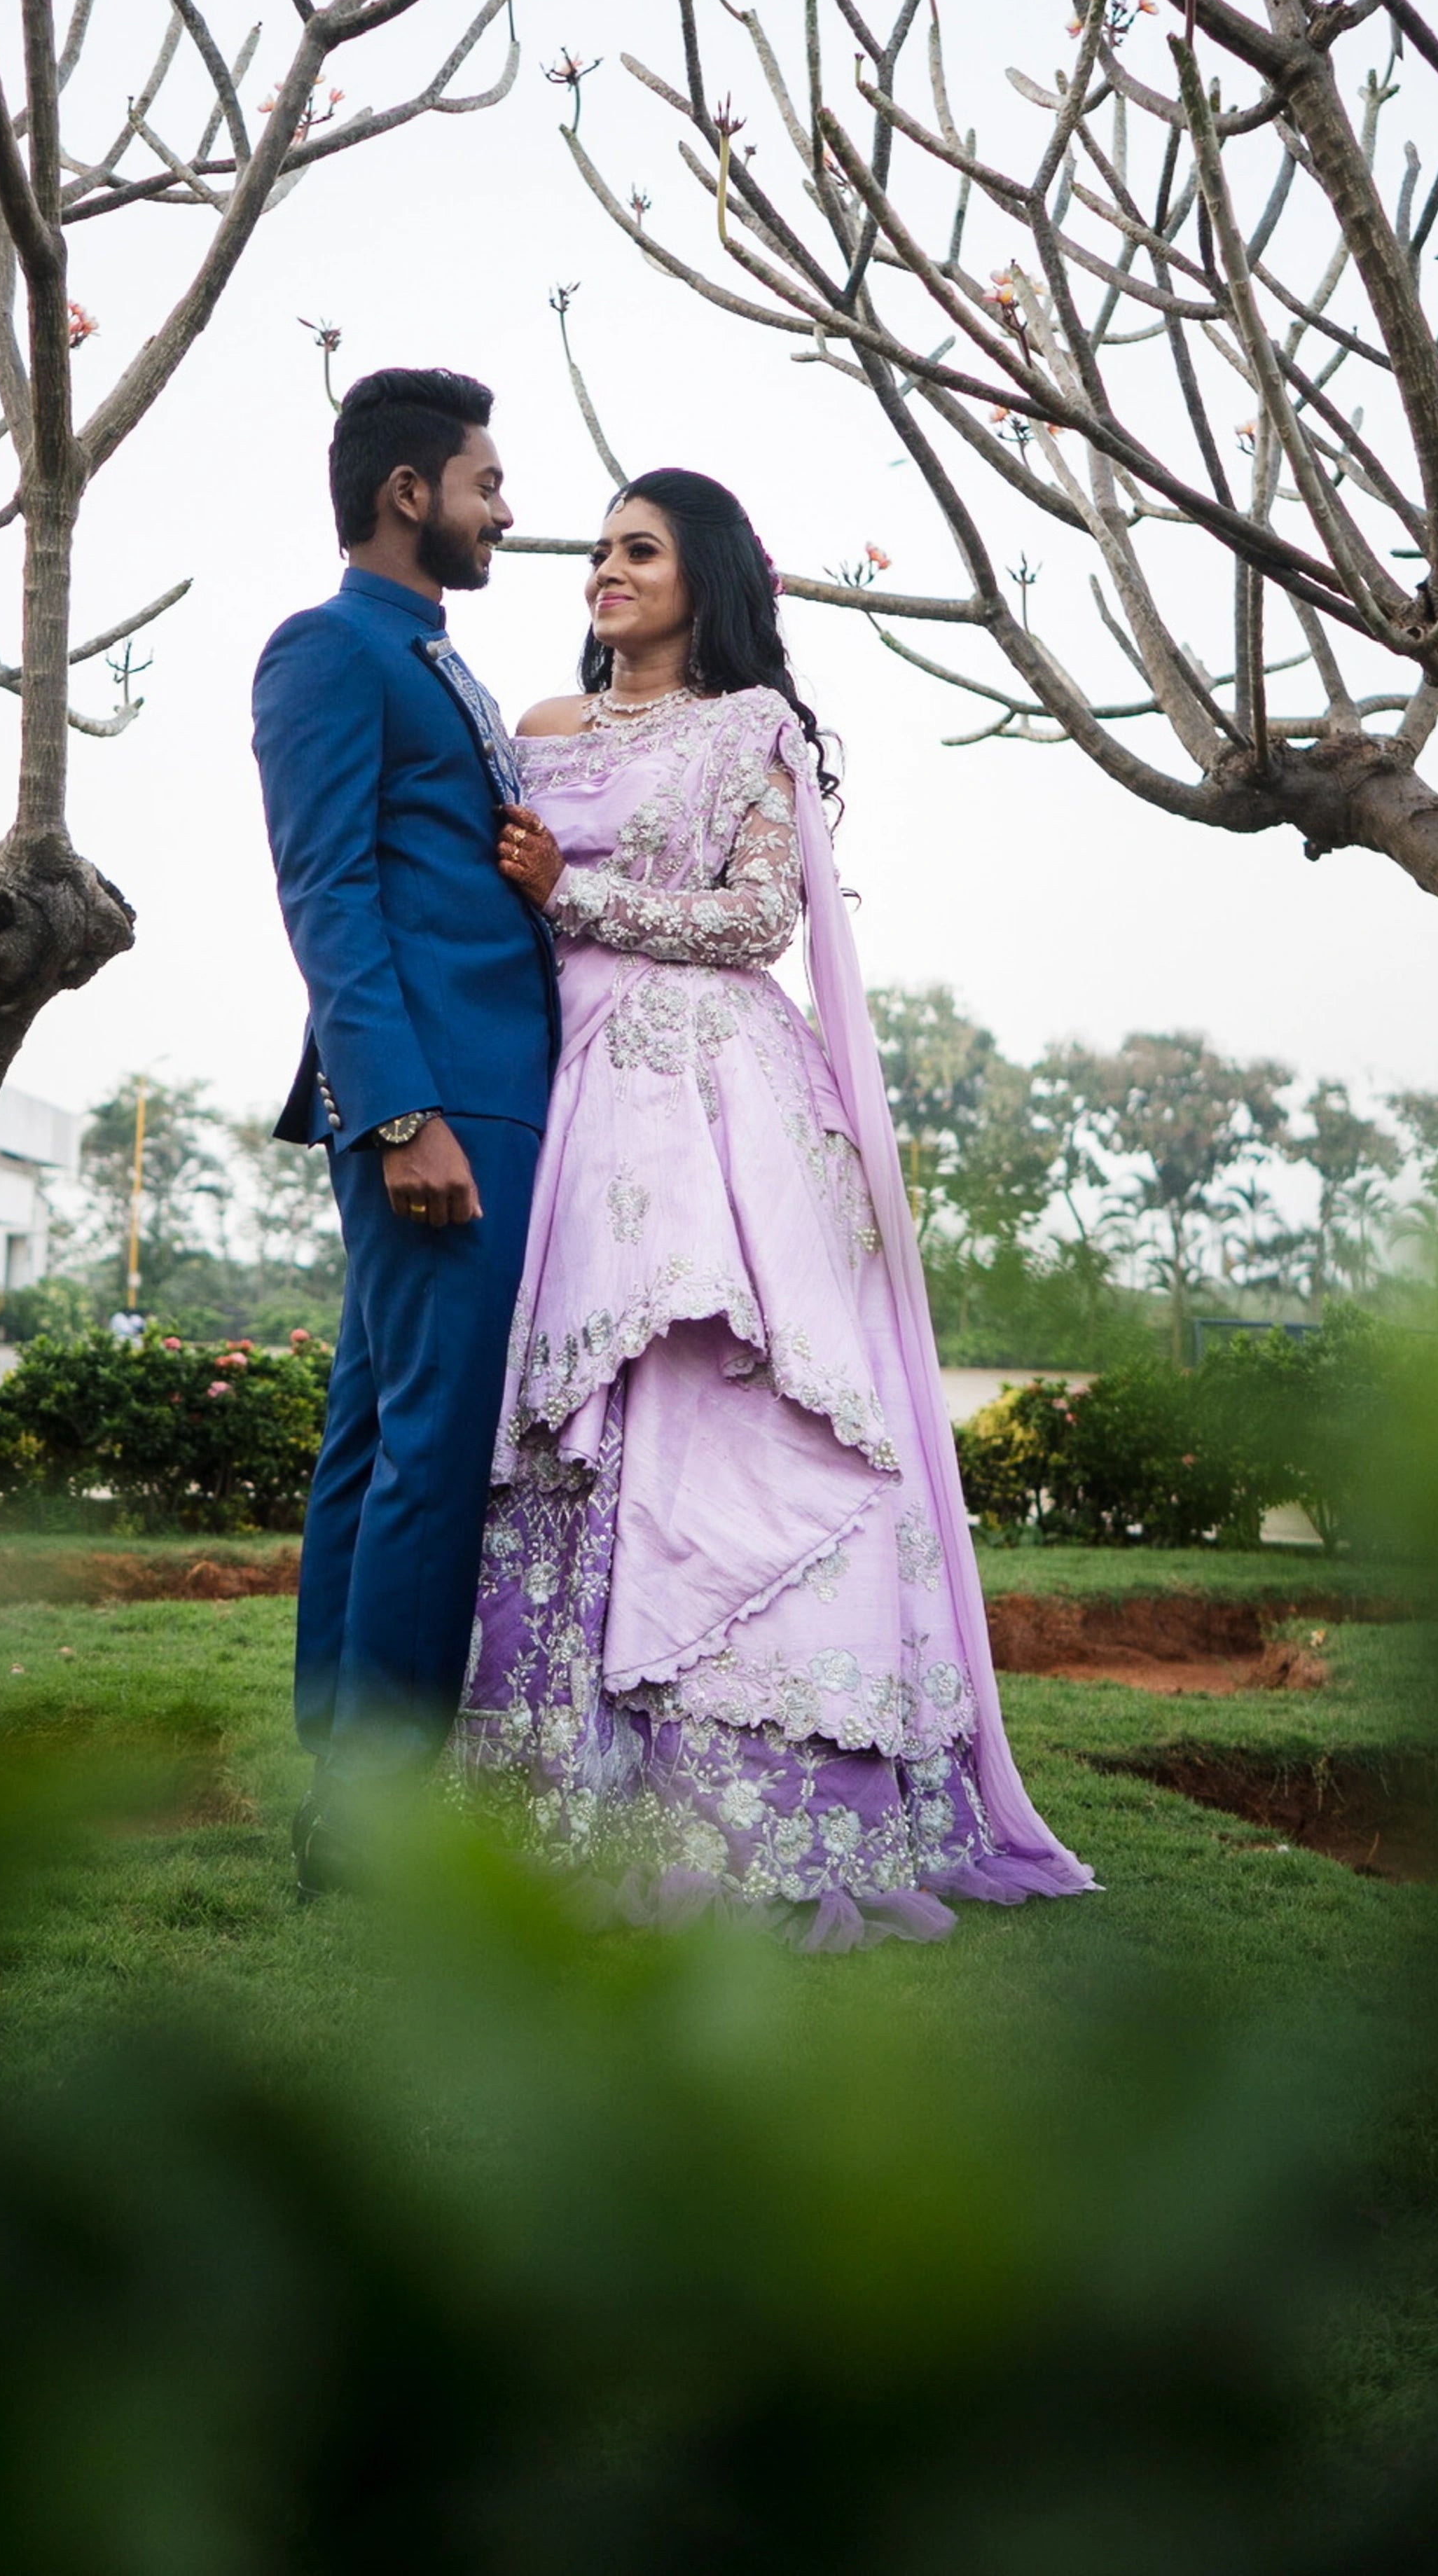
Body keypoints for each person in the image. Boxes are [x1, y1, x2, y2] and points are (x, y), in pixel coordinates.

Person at [459, 468, 1093, 1948]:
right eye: (598, 549)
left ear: (706, 582)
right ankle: (561, 1795)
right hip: (575, 1097)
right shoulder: (536, 735)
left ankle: (744, 1803)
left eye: (638, 551)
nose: (603, 572)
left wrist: (572, 897)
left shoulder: (758, 733)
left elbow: (758, 924)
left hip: (723, 1108)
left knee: (729, 1416)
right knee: (586, 1419)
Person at [253, 368, 558, 1892]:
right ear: (405, 492)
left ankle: (343, 1796)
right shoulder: (327, 651)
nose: (505, 509)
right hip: (436, 1103)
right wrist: (397, 1113)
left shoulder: (439, 662)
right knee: (428, 1452)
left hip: (479, 1085)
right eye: (486, 482)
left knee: (378, 1434)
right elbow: (326, 893)